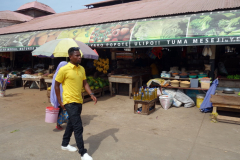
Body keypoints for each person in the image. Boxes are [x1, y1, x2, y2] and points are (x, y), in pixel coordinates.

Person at [55, 47, 97, 160]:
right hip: (69, 101)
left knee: (71, 124)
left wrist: (91, 94)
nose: (79, 57)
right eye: (77, 55)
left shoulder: (82, 69)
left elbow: (85, 83)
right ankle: (83, 153)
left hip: (79, 100)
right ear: (70, 57)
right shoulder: (64, 69)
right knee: (78, 126)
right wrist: (60, 101)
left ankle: (64, 144)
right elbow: (56, 85)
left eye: (80, 55)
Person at [50, 61, 68, 130]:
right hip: (60, 94)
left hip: (57, 94)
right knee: (61, 109)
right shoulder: (60, 74)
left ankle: (60, 123)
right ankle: (58, 124)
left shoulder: (56, 73)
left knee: (60, 109)